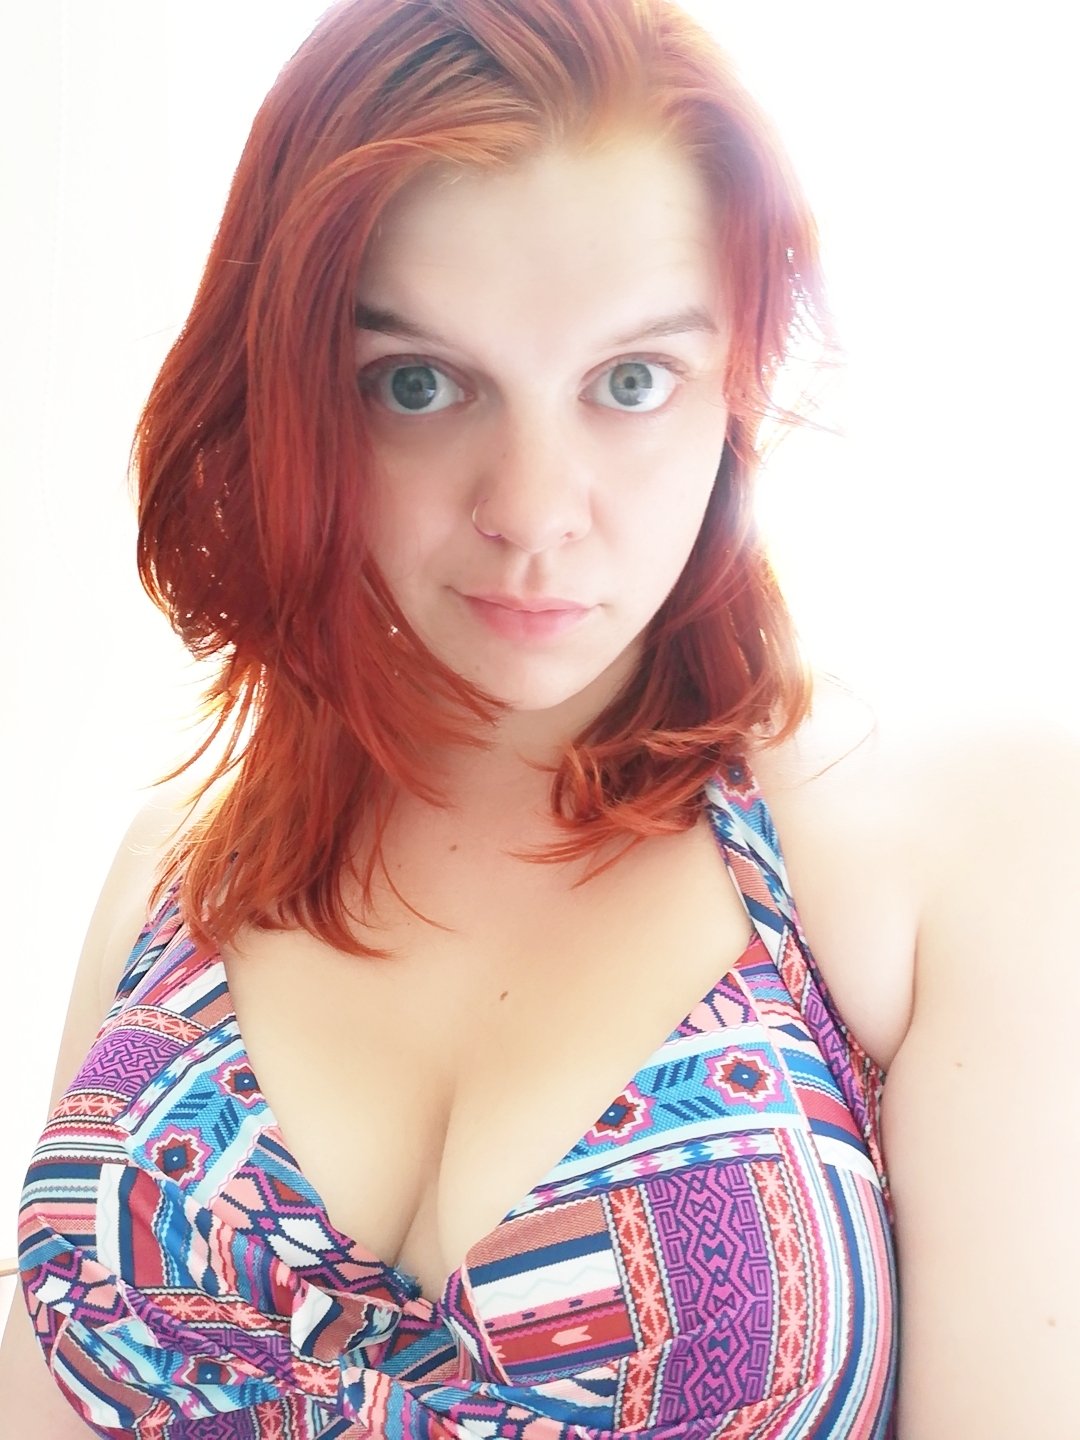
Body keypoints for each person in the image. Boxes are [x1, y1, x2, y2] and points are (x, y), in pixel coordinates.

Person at [2, 0, 1077, 1434]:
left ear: (741, 379)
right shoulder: (175, 875)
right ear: (297, 394)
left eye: (630, 382)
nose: (531, 512)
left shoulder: (959, 846)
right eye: (420, 384)